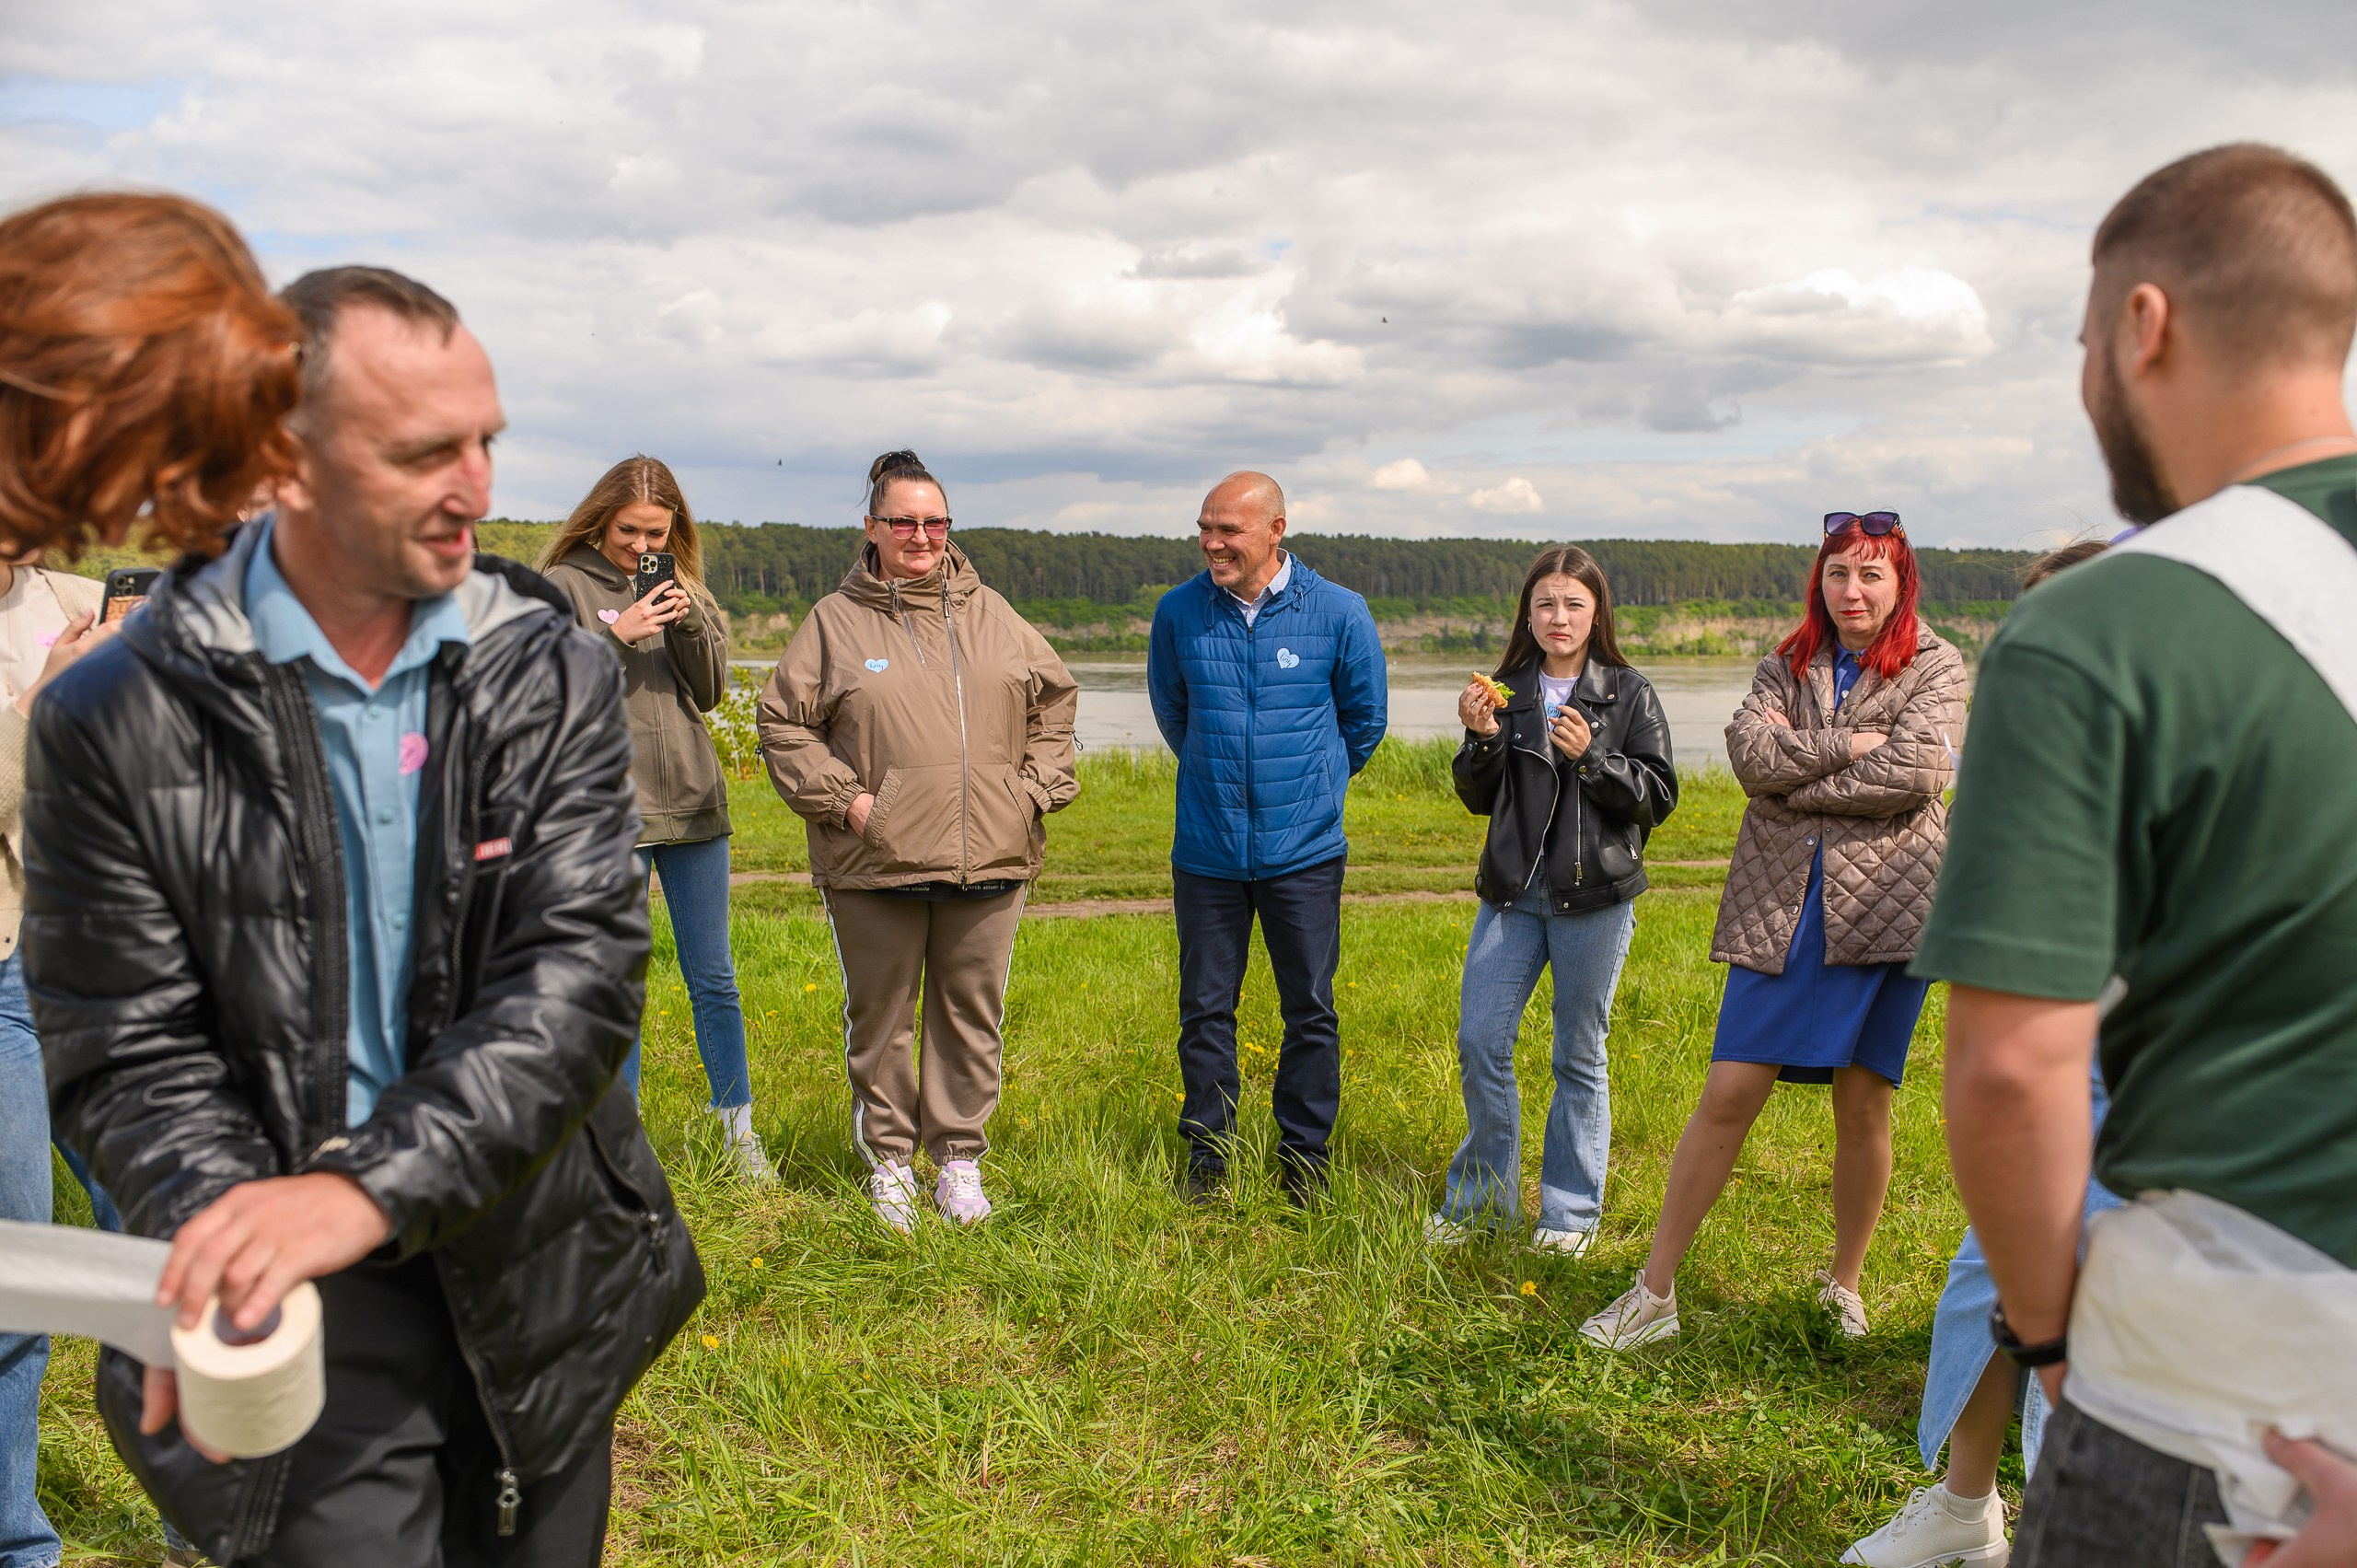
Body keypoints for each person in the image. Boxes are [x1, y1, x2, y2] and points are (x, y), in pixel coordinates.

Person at [22, 255, 702, 1566]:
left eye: (483, 442)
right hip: (299, 1302)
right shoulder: (109, 716)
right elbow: (121, 1038)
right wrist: (218, 1227)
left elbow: (579, 972)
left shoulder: (539, 666)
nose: (477, 488)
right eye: (420, 449)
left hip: (536, 1256)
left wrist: (369, 1187)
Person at [1922, 144, 2357, 1562]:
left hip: (2227, 1411)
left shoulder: (2103, 627)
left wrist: (2049, 1330)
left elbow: (2013, 1065)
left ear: (2142, 325)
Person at [0, 191, 308, 1568]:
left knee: (142, 1235)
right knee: (25, 1266)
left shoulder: (69, 600)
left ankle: (213, 1495)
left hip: (68, 966)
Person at [1582, 510, 1966, 1349]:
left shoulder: (1938, 665)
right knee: (1729, 1090)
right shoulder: (1784, 663)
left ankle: (1844, 1283)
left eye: (1870, 574)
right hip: (1783, 902)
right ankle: (1653, 1294)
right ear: (1818, 582)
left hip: (1884, 912)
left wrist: (1807, 765)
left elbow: (1919, 772)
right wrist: (1852, 746)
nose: (1852, 590)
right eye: (1837, 573)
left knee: (1866, 1105)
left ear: (1900, 582)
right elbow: (1752, 761)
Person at [1843, 540, 2117, 1568]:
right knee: (1986, 1278)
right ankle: (1966, 1506)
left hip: (2154, 1084)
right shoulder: (2025, 768)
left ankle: (2059, 1523)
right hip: (2057, 1075)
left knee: (2077, 1302)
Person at [758, 450, 1077, 1231]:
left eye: (935, 520)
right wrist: (851, 803)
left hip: (990, 856)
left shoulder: (992, 611)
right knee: (883, 1018)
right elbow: (781, 723)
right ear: (872, 527)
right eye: (905, 520)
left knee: (972, 1013)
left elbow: (1056, 702)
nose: (922, 535)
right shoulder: (835, 622)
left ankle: (959, 1162)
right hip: (877, 862)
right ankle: (892, 1163)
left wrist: (1030, 792)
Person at [1428, 545, 1676, 1256]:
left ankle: (1568, 1215)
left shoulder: (1628, 693)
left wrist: (1593, 758)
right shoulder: (1507, 691)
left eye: (1573, 603)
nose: (1558, 616)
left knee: (1578, 1052)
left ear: (1596, 611)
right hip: (1513, 894)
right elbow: (1479, 799)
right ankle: (1482, 1201)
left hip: (1595, 897)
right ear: (1527, 614)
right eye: (1545, 603)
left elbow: (1658, 797)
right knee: (1481, 1040)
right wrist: (1479, 742)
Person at [1147, 471, 1387, 1208]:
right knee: (1205, 1007)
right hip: (1208, 851)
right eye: (1204, 527)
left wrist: (1310, 790)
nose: (1212, 543)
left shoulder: (1341, 613)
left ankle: (1304, 1160)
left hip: (1305, 853)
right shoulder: (1179, 613)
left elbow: (1364, 722)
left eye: (1229, 530)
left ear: (1276, 528)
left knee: (1309, 1006)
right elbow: (1174, 714)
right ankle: (1209, 1160)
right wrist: (1223, 783)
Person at [540, 455, 772, 1182]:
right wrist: (618, 634)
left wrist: (691, 618)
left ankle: (738, 1132)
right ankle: (621, 1138)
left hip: (695, 805)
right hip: (607, 812)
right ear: (601, 518)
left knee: (715, 977)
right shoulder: (561, 586)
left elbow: (707, 693)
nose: (642, 547)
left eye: (656, 534)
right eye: (629, 531)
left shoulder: (681, 584)